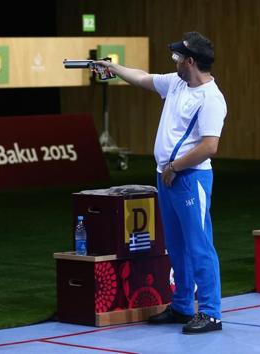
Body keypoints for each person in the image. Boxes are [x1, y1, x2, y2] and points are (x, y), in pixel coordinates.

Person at [95, 31, 227, 333]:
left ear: (190, 61)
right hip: (167, 176)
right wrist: (113, 68)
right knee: (176, 246)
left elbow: (210, 146)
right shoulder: (177, 83)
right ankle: (182, 305)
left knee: (200, 245)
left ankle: (210, 312)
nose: (175, 59)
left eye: (178, 56)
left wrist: (175, 167)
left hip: (191, 178)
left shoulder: (212, 99)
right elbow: (142, 78)